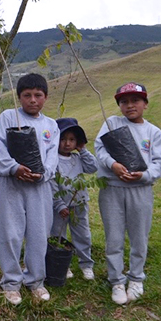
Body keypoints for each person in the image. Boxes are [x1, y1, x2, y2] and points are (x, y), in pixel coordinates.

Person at [94, 83, 161, 305]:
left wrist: (143, 176)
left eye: (135, 100)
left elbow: (159, 164)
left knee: (139, 237)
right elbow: (100, 149)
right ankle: (116, 280)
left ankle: (136, 278)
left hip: (140, 191)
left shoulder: (153, 132)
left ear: (145, 103)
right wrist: (113, 164)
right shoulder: (111, 123)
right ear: (119, 105)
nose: (130, 105)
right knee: (114, 237)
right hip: (112, 190)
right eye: (124, 102)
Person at [0, 74, 60, 305]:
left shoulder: (51, 126)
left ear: (46, 97)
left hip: (39, 187)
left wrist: (44, 173)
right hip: (11, 185)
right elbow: (0, 148)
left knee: (39, 234)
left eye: (38, 95)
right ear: (19, 97)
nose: (33, 100)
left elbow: (52, 157)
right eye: (27, 95)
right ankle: (11, 283)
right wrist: (13, 168)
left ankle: (35, 281)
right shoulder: (8, 117)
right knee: (10, 233)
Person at [50, 117, 98, 281]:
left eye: (72, 139)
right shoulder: (53, 160)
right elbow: (53, 184)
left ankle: (86, 264)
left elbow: (93, 167)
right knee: (58, 235)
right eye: (63, 139)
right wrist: (59, 205)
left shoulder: (78, 158)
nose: (67, 143)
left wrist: (83, 150)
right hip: (60, 206)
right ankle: (64, 264)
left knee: (82, 234)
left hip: (79, 204)